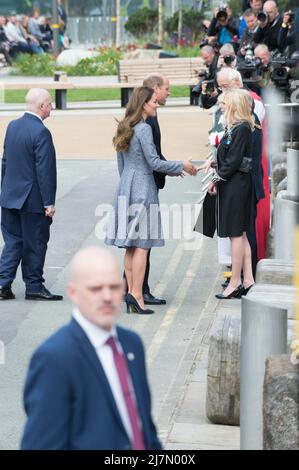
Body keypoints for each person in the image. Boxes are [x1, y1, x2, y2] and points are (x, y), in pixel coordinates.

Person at [21, 247, 162, 450]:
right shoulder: (54, 358)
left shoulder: (132, 345)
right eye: (95, 288)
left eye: (114, 287)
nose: (107, 296)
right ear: (73, 292)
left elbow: (144, 431)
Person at [105, 87, 197, 314]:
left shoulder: (124, 125)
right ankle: (136, 294)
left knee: (130, 245)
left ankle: (131, 294)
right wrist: (181, 166)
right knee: (143, 245)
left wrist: (128, 184)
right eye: (154, 102)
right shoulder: (144, 129)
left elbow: (121, 165)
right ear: (144, 103)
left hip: (125, 185)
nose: (157, 105)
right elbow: (154, 162)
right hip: (143, 187)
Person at [0, 88, 62, 301]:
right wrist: (49, 202)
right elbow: (45, 170)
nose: (52, 107)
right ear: (42, 105)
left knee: (13, 242)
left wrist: (4, 190)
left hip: (9, 197)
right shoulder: (41, 132)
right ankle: (34, 287)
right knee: (35, 243)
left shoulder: (12, 126)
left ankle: (2, 284)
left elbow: (5, 161)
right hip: (32, 200)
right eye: (50, 104)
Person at [207, 89, 256, 299]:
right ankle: (248, 279)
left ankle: (235, 282)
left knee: (235, 235)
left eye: (224, 104)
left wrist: (216, 178)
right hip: (236, 185)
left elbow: (234, 160)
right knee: (241, 234)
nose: (221, 107)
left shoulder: (241, 128)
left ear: (234, 106)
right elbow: (230, 157)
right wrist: (216, 163)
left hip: (236, 187)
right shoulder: (236, 128)